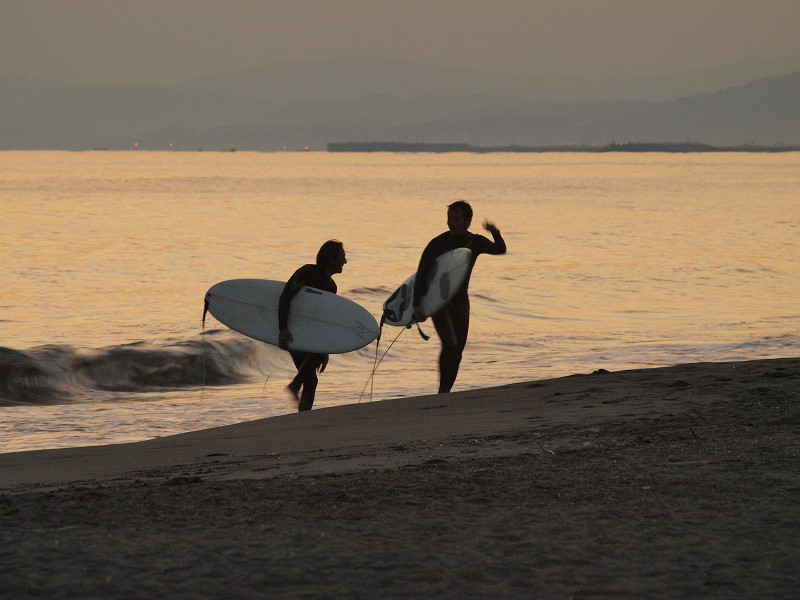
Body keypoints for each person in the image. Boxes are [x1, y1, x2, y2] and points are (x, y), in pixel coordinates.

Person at [412, 201, 506, 393]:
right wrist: (417, 304)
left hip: (461, 302)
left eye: (456, 219)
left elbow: (500, 249)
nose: (452, 223)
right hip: (439, 302)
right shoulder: (438, 243)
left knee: (458, 350)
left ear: (468, 220)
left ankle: (446, 391)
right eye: (449, 218)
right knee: (449, 345)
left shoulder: (475, 242)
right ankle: (442, 391)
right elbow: (421, 274)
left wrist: (495, 232)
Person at [278, 240, 347, 411]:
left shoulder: (331, 287)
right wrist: (283, 328)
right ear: (331, 260)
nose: (345, 261)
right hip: (294, 329)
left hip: (310, 333)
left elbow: (323, 321)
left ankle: (302, 409)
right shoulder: (306, 273)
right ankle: (296, 391)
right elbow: (286, 296)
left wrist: (324, 351)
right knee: (310, 379)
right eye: (342, 257)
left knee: (311, 380)